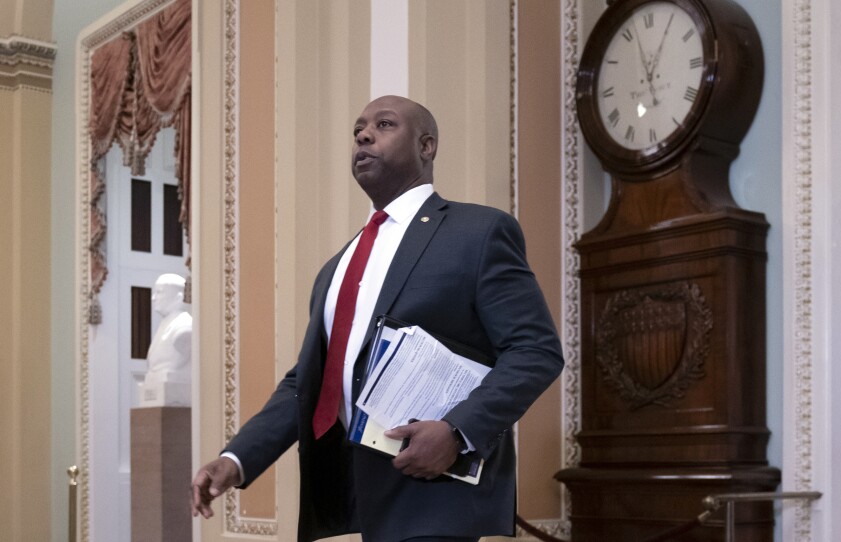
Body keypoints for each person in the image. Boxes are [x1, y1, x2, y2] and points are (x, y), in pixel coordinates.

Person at [191, 95, 564, 542]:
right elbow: (311, 383)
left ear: (426, 146)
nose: (364, 135)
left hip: (436, 491)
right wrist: (236, 459)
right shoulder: (337, 266)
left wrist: (458, 432)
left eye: (384, 125)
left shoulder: (478, 233)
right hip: (359, 494)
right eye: (358, 130)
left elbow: (535, 350)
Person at [141, 273, 192, 406]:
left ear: (178, 297)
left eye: (159, 292)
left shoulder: (184, 327)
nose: (153, 298)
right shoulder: (164, 325)